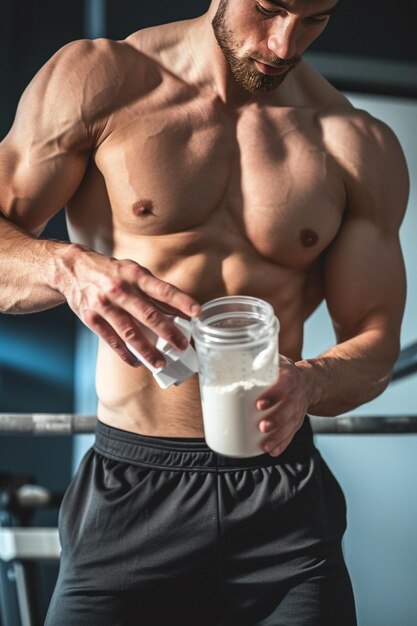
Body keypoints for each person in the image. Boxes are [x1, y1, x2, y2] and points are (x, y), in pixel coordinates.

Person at [0, 0, 409, 624]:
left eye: (315, 19)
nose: (284, 43)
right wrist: (68, 269)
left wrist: (311, 382)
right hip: (133, 488)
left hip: (283, 499)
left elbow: (376, 341)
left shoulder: (355, 142)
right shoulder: (101, 79)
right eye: (269, 10)